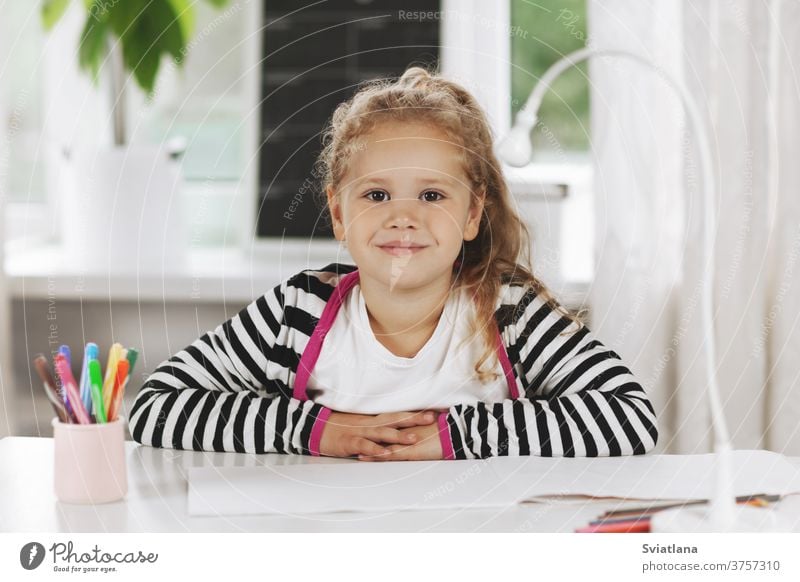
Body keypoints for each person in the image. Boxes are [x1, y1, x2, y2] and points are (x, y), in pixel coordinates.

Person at [129, 66, 659, 461]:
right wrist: (319, 429)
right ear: (339, 214)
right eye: (377, 196)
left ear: (472, 213)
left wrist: (452, 437)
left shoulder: (509, 311)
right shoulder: (299, 309)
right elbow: (154, 405)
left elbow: (630, 417)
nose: (403, 218)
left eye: (431, 196)